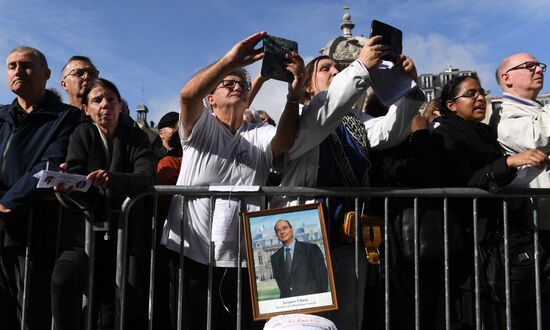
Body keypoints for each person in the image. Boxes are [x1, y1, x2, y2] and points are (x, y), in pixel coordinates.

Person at [274, 36, 424, 329]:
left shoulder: (354, 119)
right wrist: (360, 68)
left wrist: (408, 87)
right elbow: (327, 110)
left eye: (338, 69)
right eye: (325, 68)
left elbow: (390, 131)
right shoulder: (305, 117)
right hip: (305, 233)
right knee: (305, 322)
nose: (335, 72)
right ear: (306, 85)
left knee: (347, 321)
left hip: (347, 232)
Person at [161, 31, 305, 330]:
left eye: (243, 83)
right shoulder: (201, 128)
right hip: (193, 251)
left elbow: (284, 143)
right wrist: (230, 61)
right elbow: (188, 95)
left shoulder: (258, 133)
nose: (238, 85)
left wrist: (293, 96)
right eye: (228, 83)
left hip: (246, 256)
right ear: (211, 99)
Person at [435, 75, 549, 329]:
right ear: (451, 105)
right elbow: (464, 182)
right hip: (471, 242)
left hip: (500, 238)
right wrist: (509, 163)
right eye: (470, 94)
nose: (479, 98)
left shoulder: (485, 132)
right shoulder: (445, 133)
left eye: (481, 92)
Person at [51, 78, 156, 330]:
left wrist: (111, 180)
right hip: (85, 234)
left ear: (121, 106)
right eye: (97, 100)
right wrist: (66, 184)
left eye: (111, 99)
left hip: (127, 235)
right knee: (63, 280)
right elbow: (76, 173)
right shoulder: (82, 134)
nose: (105, 105)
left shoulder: (137, 138)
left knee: (120, 307)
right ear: (86, 109)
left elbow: (146, 177)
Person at [0, 46, 81, 329]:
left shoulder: (66, 117)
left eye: (26, 65)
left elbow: (51, 165)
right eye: (12, 66)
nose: (18, 71)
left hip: (33, 233)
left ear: (46, 74)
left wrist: (8, 203)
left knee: (30, 314)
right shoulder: (1, 116)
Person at [490, 54, 550, 251]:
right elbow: (538, 138)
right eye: (530, 66)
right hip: (541, 225)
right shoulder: (504, 116)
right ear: (507, 78)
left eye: (540, 66)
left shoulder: (538, 110)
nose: (539, 70)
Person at [270, 219, 328, 298]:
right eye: (278, 230)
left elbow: (322, 280)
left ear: (291, 230)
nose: (282, 232)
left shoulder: (312, 249)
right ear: (276, 235)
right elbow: (283, 287)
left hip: (311, 303)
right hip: (289, 306)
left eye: (284, 228)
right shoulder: (274, 258)